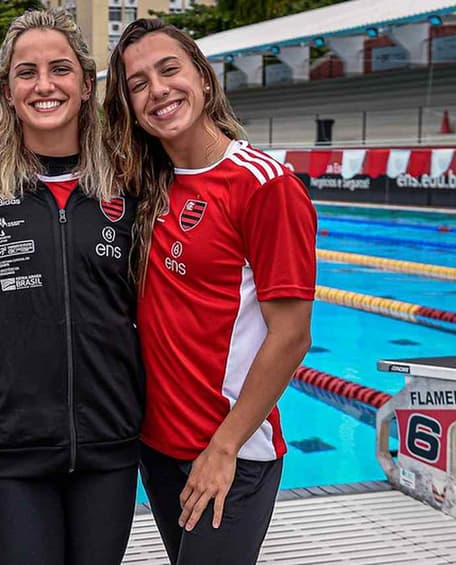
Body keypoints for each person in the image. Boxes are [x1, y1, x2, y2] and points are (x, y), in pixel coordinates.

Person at [103, 19, 316, 565]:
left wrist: (224, 448)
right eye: (139, 83)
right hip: (158, 446)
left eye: (169, 69)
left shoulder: (264, 184)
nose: (159, 90)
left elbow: (291, 337)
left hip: (231, 452)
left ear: (201, 75)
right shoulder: (148, 181)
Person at [0, 9, 144, 565]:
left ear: (85, 83)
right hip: (10, 448)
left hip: (110, 443)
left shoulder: (130, 175)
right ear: (6, 88)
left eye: (60, 69)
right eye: (26, 72)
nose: (44, 85)